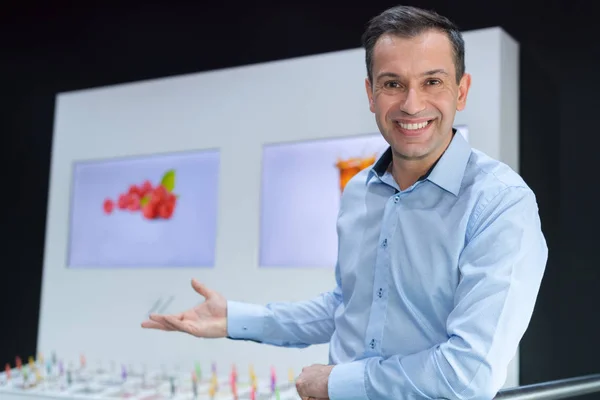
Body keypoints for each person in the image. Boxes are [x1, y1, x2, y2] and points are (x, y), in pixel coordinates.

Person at [142, 5, 548, 400]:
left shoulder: (499, 203)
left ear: (461, 91)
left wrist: (337, 384)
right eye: (392, 83)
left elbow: (467, 375)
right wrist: (236, 319)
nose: (411, 104)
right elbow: (348, 306)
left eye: (432, 82)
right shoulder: (359, 192)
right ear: (371, 94)